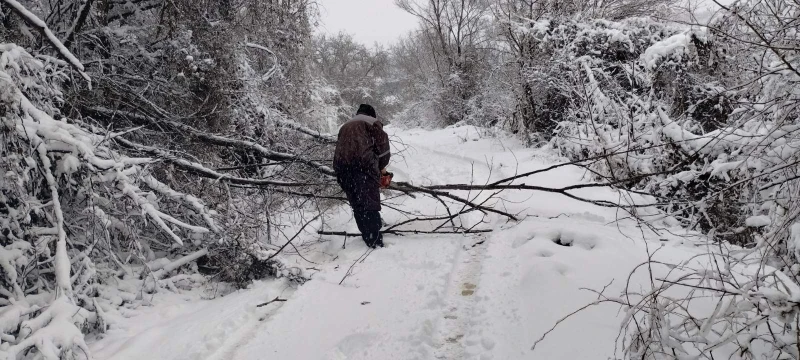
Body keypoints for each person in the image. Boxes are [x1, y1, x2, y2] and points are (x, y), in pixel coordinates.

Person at [333, 104, 391, 248]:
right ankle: (375, 241)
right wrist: (380, 169)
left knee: (357, 204)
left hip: (342, 169)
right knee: (369, 203)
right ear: (372, 114)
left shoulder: (345, 126)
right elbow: (383, 150)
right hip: (363, 168)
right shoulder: (372, 122)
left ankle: (367, 234)